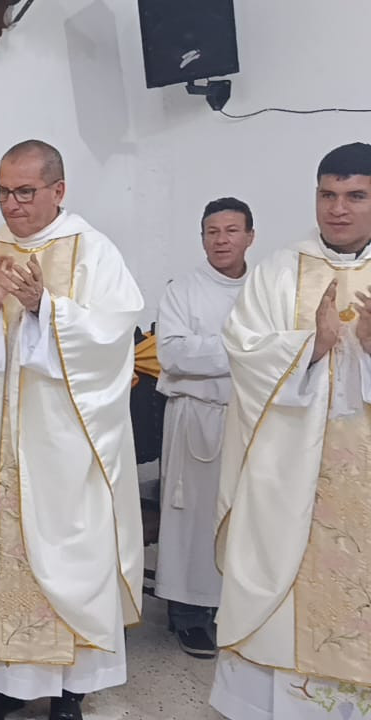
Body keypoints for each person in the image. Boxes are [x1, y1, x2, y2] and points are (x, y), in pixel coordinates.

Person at [0, 140, 144, 720]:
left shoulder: (94, 251)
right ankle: (4, 683)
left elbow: (112, 341)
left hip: (65, 450)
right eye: (3, 191)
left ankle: (70, 690)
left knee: (69, 558)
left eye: (25, 191)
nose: (12, 204)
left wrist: (45, 310)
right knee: (2, 557)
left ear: (59, 190)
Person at [211, 142, 371, 720]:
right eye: (328, 194)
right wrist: (310, 347)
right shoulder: (280, 270)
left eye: (356, 196)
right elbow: (243, 350)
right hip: (287, 474)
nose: (338, 208)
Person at [154, 197, 255, 659]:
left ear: (250, 236)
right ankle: (189, 614)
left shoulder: (265, 288)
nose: (221, 240)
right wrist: (243, 348)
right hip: (195, 418)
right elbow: (173, 354)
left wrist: (226, 351)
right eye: (212, 232)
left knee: (241, 517)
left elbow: (280, 349)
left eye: (231, 231)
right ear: (202, 239)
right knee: (193, 520)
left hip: (248, 418)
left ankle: (232, 610)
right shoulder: (184, 289)